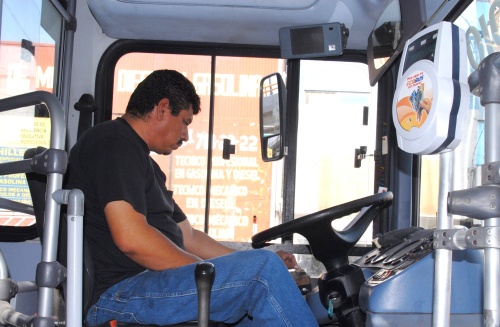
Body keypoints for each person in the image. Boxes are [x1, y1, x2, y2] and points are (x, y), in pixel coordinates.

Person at [65, 69, 318, 326]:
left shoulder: (145, 164)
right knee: (264, 273)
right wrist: (203, 272)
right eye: (185, 122)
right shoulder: (113, 142)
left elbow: (189, 237)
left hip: (149, 284)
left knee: (262, 278)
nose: (186, 135)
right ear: (163, 109)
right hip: (121, 293)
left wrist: (240, 263)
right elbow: (131, 239)